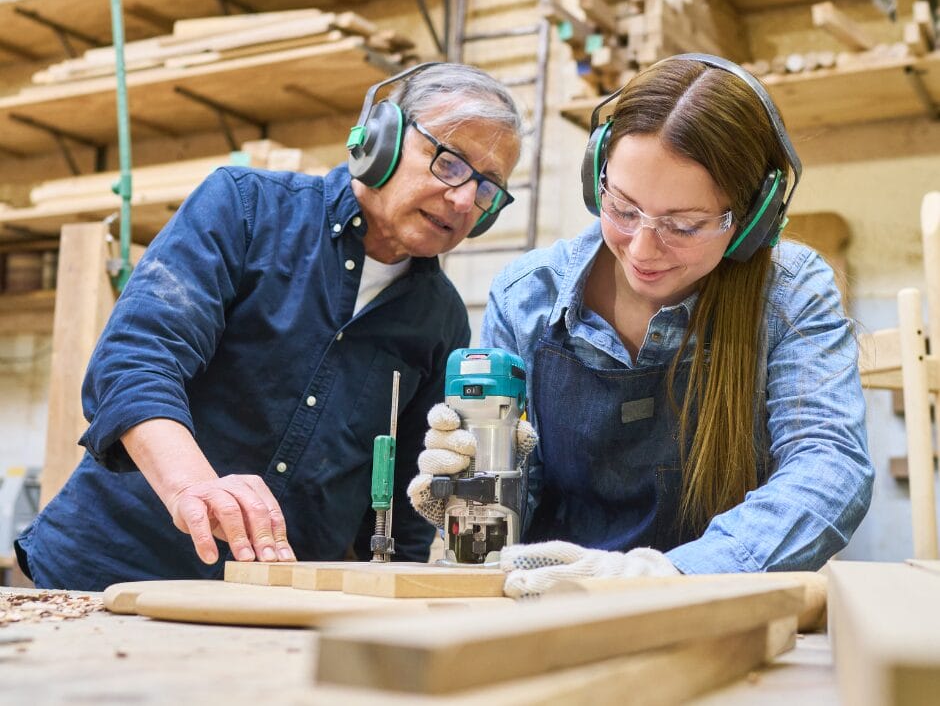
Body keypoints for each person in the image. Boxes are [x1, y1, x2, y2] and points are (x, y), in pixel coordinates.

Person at [16, 62, 523, 591]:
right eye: (450, 163)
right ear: (382, 139)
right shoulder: (246, 207)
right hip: (106, 573)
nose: (465, 200)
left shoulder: (440, 317)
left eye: (489, 188)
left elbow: (403, 506)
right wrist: (193, 486)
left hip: (270, 607)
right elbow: (134, 362)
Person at [409, 53, 874, 598]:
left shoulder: (789, 293)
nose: (644, 249)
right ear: (596, 178)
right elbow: (522, 501)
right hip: (553, 603)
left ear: (752, 219)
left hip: (716, 606)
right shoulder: (527, 297)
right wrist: (470, 492)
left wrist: (671, 575)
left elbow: (829, 463)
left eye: (684, 225)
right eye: (624, 210)